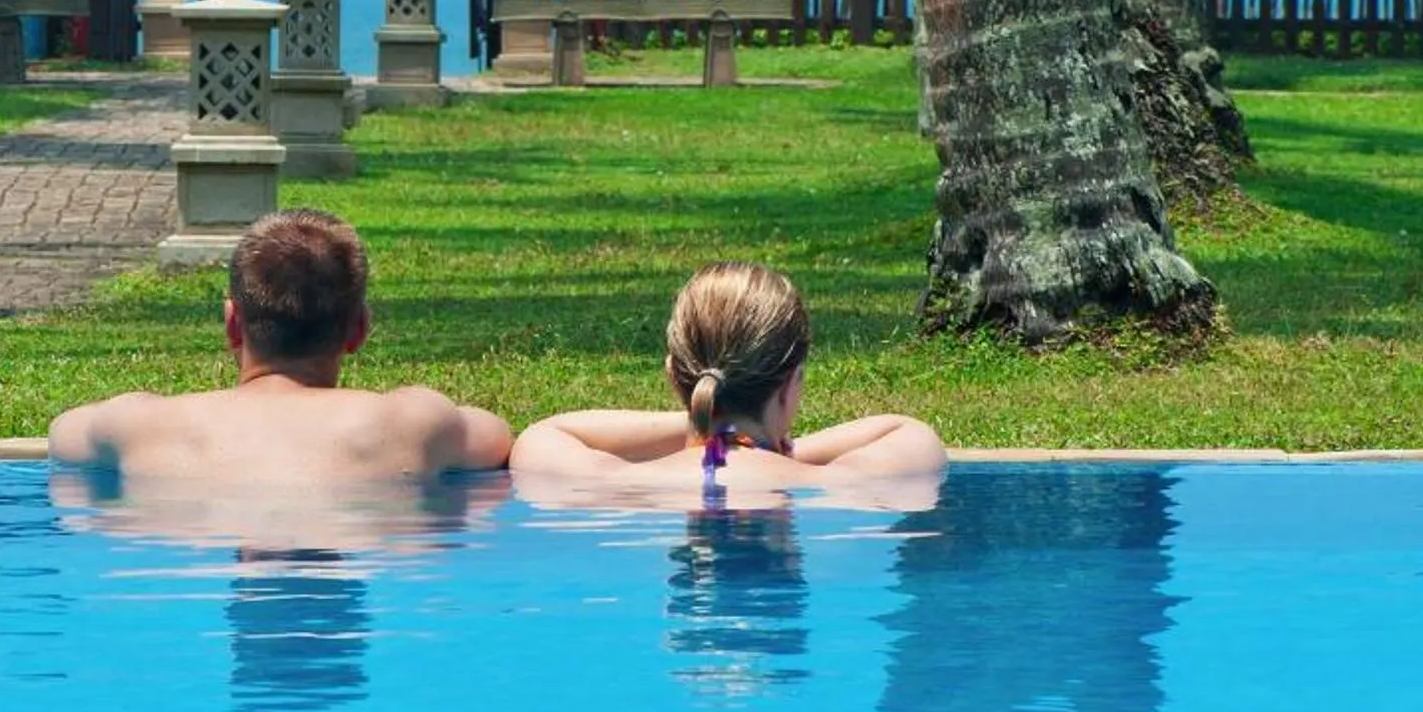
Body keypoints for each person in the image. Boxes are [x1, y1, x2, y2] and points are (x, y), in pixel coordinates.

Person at [46, 209, 513, 479]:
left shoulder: (138, 423)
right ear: (359, 329)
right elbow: (496, 436)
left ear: (233, 324)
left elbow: (61, 433)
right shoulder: (413, 421)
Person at [512, 262, 945, 504]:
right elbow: (907, 431)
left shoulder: (613, 482)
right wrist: (777, 449)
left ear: (674, 376)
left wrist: (701, 426)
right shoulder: (839, 484)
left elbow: (545, 432)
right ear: (792, 383)